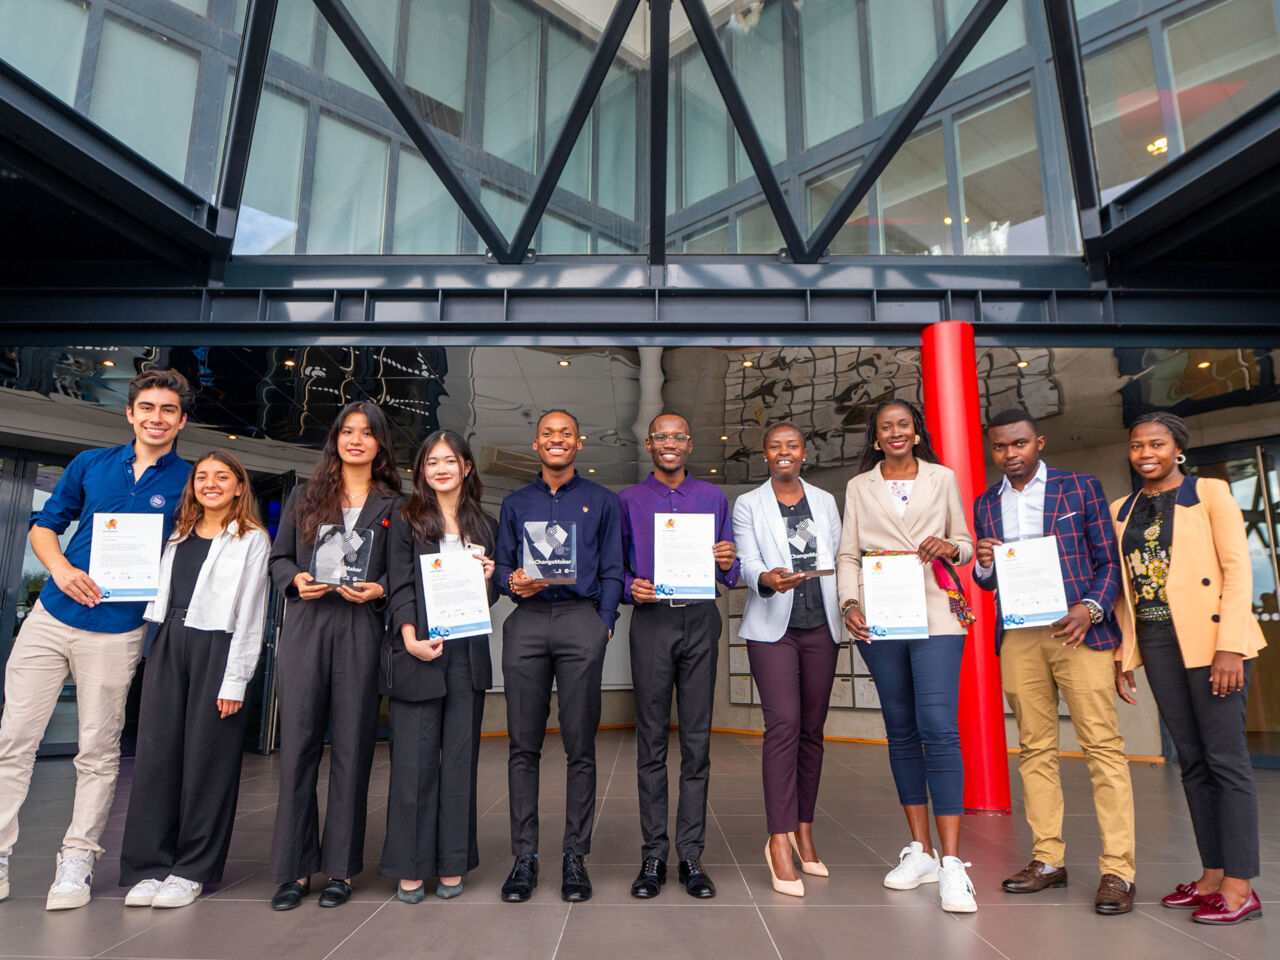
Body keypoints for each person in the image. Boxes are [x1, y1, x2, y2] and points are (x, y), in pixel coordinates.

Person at [0, 369, 192, 910]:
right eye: (147, 408)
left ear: (182, 420)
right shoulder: (90, 465)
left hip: (119, 630)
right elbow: (45, 525)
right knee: (13, 740)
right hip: (52, 617)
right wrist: (59, 569)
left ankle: (77, 860)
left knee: (98, 751)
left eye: (168, 410)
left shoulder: (190, 479)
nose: (157, 418)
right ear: (130, 413)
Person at [973, 408, 1135, 915]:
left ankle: (1119, 871)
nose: (1010, 454)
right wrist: (982, 567)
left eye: (1019, 444)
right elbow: (987, 581)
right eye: (1000, 447)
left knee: (1102, 747)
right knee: (1035, 749)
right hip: (1020, 637)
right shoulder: (985, 504)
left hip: (1080, 634)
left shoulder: (1080, 488)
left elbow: (1110, 561)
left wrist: (1089, 609)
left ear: (1038, 442)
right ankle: (1048, 860)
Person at [1112, 412, 1266, 926]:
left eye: (1156, 443)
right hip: (1157, 642)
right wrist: (1124, 653)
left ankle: (1241, 887)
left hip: (1211, 640)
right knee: (1193, 762)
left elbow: (1238, 570)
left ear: (1178, 448)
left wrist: (1231, 647)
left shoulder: (1211, 493)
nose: (1146, 453)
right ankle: (1213, 875)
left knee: (1227, 760)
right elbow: (1124, 592)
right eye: (1137, 446)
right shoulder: (1121, 509)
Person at [835, 399, 977, 914]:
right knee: (900, 728)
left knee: (938, 725)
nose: (895, 432)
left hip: (936, 615)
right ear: (875, 438)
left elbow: (965, 542)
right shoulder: (858, 487)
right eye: (885, 428)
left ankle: (953, 864)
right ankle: (920, 852)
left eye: (903, 425)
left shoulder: (942, 478)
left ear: (916, 432)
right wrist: (849, 602)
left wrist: (949, 546)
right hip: (881, 617)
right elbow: (848, 553)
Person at [119, 450, 270, 909]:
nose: (210, 483)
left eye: (222, 476)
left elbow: (251, 614)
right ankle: (149, 866)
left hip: (217, 646)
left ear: (239, 486)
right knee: (156, 755)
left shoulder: (252, 539)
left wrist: (236, 680)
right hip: (169, 641)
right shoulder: (178, 533)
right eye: (202, 476)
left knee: (208, 760)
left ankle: (191, 869)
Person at [268, 402, 402, 910]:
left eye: (367, 434)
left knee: (352, 751)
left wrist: (380, 590)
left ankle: (341, 869)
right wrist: (295, 578)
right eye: (347, 431)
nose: (356, 440)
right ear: (336, 440)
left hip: (360, 631)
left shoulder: (394, 505)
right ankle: (294, 870)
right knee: (298, 748)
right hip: (307, 626)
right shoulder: (305, 496)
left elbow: (402, 574)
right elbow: (278, 559)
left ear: (380, 445)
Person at [493, 409, 623, 903]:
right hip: (526, 622)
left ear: (578, 443)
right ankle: (524, 859)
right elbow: (503, 565)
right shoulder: (515, 502)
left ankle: (575, 857)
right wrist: (510, 582)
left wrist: (604, 623)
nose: (557, 440)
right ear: (536, 444)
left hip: (579, 621)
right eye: (548, 433)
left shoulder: (601, 501)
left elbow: (614, 567)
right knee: (522, 746)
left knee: (580, 746)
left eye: (565, 433)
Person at [620, 413, 739, 900]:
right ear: (649, 445)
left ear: (690, 445)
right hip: (652, 621)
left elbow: (729, 574)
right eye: (661, 437)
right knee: (650, 740)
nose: (670, 444)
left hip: (698, 617)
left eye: (679, 437)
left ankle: (691, 855)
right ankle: (653, 854)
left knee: (696, 741)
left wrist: (729, 563)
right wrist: (632, 587)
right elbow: (616, 568)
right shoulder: (627, 501)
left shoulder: (713, 498)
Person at [379, 430, 498, 904]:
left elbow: (487, 597)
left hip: (467, 658)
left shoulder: (486, 524)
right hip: (420, 652)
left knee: (460, 766)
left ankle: (452, 863)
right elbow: (400, 583)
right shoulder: (405, 518)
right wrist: (409, 637)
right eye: (432, 462)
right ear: (421, 471)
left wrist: (490, 579)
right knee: (414, 765)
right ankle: (410, 867)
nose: (441, 469)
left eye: (450, 460)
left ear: (467, 467)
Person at [732, 421, 841, 899]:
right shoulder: (749, 504)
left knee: (812, 731)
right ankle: (778, 839)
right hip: (773, 629)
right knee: (784, 726)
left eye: (792, 445)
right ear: (765, 455)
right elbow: (747, 560)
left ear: (803, 452)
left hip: (823, 626)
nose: (783, 452)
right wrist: (767, 579)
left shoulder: (825, 502)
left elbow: (839, 557)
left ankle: (804, 829)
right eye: (775, 446)